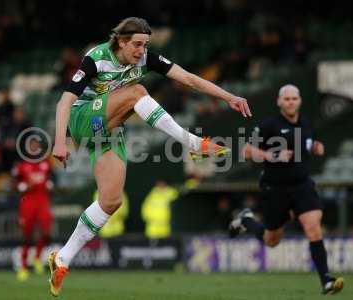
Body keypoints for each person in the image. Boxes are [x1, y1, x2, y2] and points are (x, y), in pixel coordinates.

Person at [48, 17, 251, 297]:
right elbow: (65, 101)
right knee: (138, 92)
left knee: (111, 201)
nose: (142, 51)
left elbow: (189, 79)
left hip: (109, 129)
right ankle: (190, 141)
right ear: (121, 41)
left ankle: (62, 259)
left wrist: (229, 97)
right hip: (83, 119)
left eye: (145, 45)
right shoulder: (96, 58)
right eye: (137, 45)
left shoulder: (145, 59)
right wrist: (60, 141)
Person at [229, 84, 343, 295]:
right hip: (275, 188)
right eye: (287, 99)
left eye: (294, 98)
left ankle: (326, 280)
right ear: (279, 102)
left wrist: (314, 146)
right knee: (271, 240)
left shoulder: (306, 124)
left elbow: (303, 145)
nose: (290, 102)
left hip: (302, 186)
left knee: (313, 227)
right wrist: (271, 155)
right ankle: (246, 220)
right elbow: (246, 151)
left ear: (300, 101)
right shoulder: (269, 125)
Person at [13, 138, 53, 281]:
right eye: (32, 146)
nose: (34, 148)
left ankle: (37, 258)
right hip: (28, 202)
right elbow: (16, 184)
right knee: (26, 235)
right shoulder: (22, 166)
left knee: (46, 230)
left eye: (36, 146)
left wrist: (49, 184)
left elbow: (49, 179)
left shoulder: (46, 164)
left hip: (42, 200)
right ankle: (23, 266)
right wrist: (24, 187)